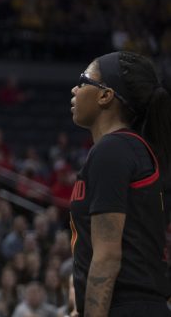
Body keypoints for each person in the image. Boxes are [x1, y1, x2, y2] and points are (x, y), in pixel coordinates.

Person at [69, 51, 171, 316]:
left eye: (84, 80)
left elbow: (107, 257)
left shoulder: (113, 150)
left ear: (105, 95)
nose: (75, 88)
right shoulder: (131, 149)